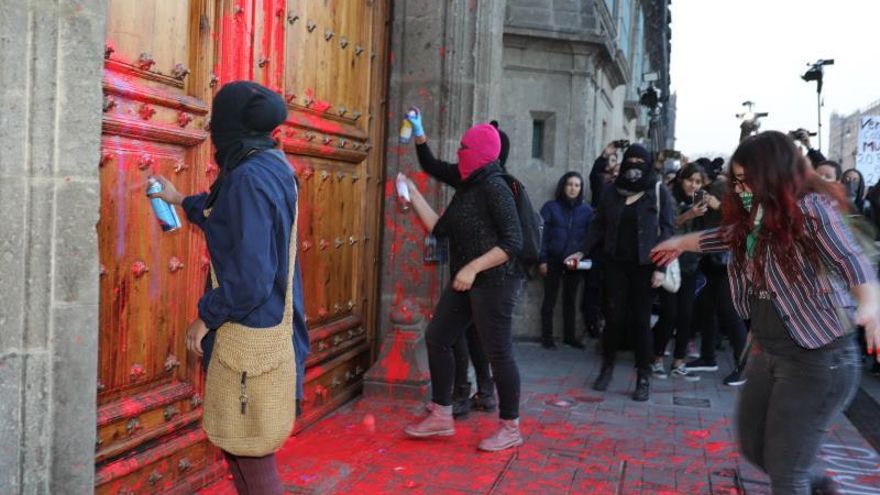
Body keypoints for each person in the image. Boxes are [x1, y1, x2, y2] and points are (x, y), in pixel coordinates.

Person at [651, 131, 880, 495]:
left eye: (747, 179)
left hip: (819, 358)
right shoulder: (756, 216)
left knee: (786, 472)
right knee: (757, 449)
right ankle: (818, 488)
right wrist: (680, 243)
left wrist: (869, 304)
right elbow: (727, 236)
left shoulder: (811, 209)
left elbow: (848, 258)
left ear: (772, 173)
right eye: (737, 179)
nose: (740, 187)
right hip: (770, 352)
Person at [151, 81, 306, 495]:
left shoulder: (248, 176)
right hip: (266, 317)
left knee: (250, 450)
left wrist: (208, 316)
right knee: (240, 446)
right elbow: (228, 216)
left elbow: (251, 277)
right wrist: (181, 199)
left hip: (249, 326)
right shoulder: (268, 163)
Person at [402, 110, 525, 452]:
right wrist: (413, 194)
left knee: (498, 352)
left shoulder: (495, 187)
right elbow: (440, 229)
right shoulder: (468, 184)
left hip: (495, 282)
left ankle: (510, 427)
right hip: (466, 280)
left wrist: (473, 268)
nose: (459, 152)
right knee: (439, 336)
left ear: (482, 152)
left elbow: (513, 242)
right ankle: (441, 415)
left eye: (464, 147)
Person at [567, 144, 676, 402]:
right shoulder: (611, 192)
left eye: (641, 161)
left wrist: (660, 267)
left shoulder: (657, 192)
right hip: (614, 264)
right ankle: (607, 367)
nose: (635, 166)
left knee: (641, 321)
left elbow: (667, 232)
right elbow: (597, 226)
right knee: (613, 319)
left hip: (645, 266)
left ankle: (644, 376)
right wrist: (581, 252)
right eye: (631, 160)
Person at [687, 157, 749, 386]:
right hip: (709, 258)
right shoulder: (703, 191)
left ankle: (744, 367)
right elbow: (698, 221)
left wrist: (720, 206)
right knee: (706, 308)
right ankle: (707, 356)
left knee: (729, 313)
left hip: (729, 261)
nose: (695, 183)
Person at [650, 164, 707, 382]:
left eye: (698, 182)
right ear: (681, 179)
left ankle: (678, 362)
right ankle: (655, 359)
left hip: (690, 264)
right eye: (690, 180)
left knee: (686, 315)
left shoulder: (700, 199)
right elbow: (667, 225)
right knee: (669, 314)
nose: (693, 185)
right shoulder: (669, 196)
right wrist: (689, 214)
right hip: (669, 264)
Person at [538, 172, 594, 349]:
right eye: (570, 184)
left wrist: (583, 256)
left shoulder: (587, 210)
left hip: (574, 262)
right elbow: (542, 235)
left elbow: (589, 237)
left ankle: (569, 337)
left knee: (570, 300)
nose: (573, 188)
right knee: (550, 298)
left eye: (577, 185)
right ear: (563, 186)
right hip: (553, 259)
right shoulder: (550, 207)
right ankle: (547, 337)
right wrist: (542, 259)